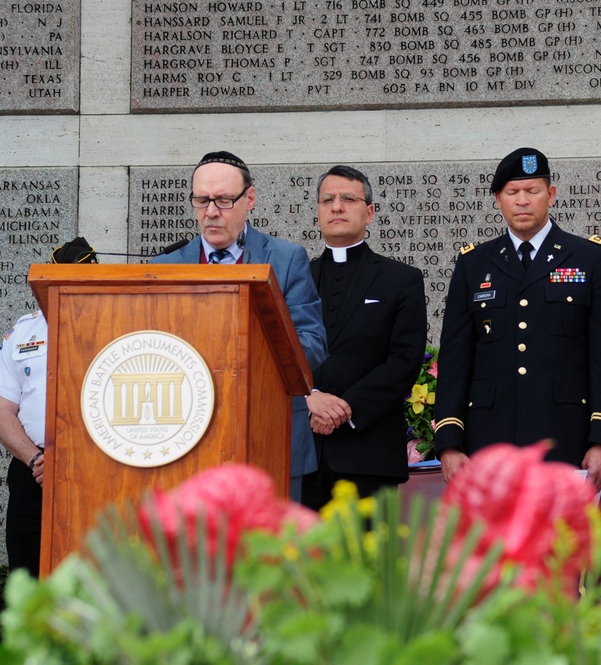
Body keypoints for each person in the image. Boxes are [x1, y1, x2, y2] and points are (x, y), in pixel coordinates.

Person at [433, 147, 601, 489]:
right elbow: (455, 359)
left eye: (532, 191)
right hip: (489, 440)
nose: (522, 201)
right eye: (512, 192)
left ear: (550, 195)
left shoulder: (589, 259)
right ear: (498, 199)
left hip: (566, 437)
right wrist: (449, 441)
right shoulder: (474, 264)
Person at [150, 151, 327, 501]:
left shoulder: (286, 259)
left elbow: (313, 344)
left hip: (269, 436)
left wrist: (244, 350)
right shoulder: (166, 265)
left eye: (224, 200)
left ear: (249, 199)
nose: (211, 212)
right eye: (201, 200)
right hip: (184, 440)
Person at [300, 165, 427, 510]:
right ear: (318, 212)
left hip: (368, 453)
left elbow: (404, 359)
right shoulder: (296, 279)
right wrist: (309, 398)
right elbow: (278, 355)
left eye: (348, 199)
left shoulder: (401, 279)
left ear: (369, 212)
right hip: (302, 456)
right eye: (327, 200)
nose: (336, 207)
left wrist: (345, 409)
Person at [0, 237, 98, 577]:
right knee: (27, 573)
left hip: (95, 468)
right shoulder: (23, 330)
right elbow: (2, 413)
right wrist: (37, 459)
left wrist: (74, 459)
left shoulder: (114, 323)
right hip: (34, 471)